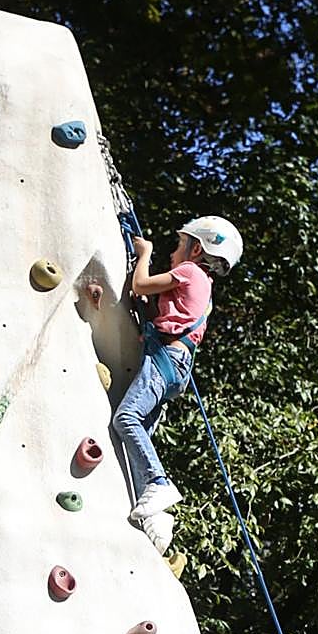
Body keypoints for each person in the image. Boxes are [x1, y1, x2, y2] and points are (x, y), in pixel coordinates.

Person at [113, 215, 243, 554]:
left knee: (126, 419)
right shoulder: (205, 288)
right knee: (139, 437)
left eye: (179, 245)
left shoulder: (190, 271)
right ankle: (156, 515)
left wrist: (145, 253)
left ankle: (158, 483)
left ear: (196, 248)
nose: (173, 252)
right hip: (178, 366)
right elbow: (165, 310)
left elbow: (140, 284)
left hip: (165, 361)